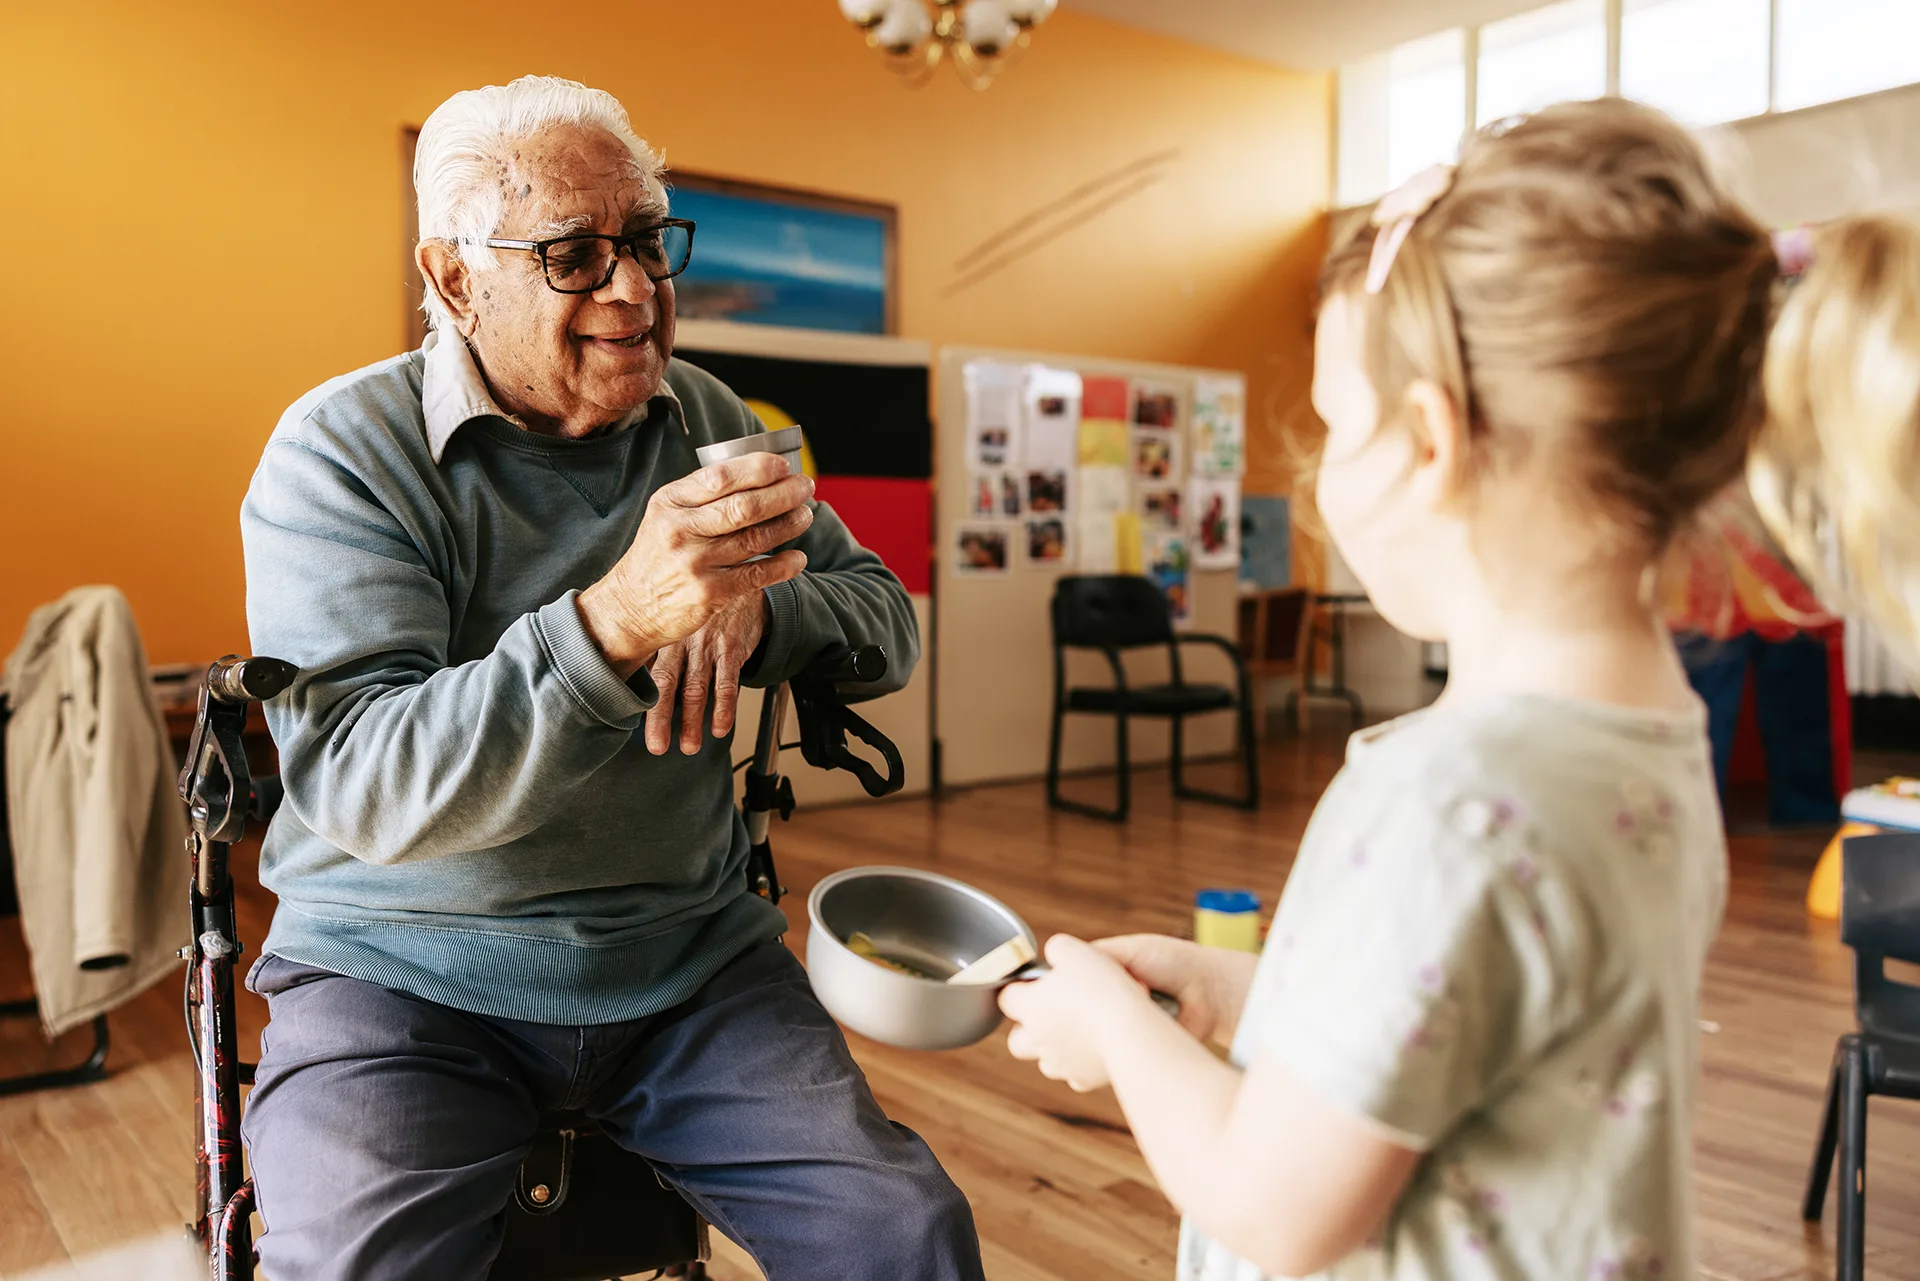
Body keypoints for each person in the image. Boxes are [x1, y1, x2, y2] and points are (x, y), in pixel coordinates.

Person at [1000, 98, 1779, 1279]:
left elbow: (1272, 1209)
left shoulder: (1445, 800)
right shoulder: (1650, 735)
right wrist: (1237, 990)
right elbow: (1494, 1008)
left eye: (1331, 426)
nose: (1319, 480)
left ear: (1429, 442)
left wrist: (1110, 1027)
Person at [238, 76, 980, 1281]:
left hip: (686, 961)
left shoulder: (710, 416)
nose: (634, 287)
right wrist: (618, 622)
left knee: (904, 1233)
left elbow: (885, 622)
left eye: (643, 240)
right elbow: (364, 783)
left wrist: (757, 608)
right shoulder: (341, 450)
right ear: (455, 280)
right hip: (399, 974)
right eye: (574, 255)